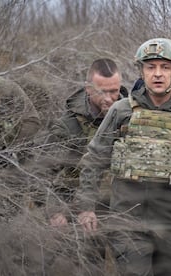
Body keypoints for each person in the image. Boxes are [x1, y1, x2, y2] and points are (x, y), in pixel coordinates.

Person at [76, 38, 171, 275]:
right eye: (151, 67)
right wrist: (86, 206)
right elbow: (94, 158)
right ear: (141, 71)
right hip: (128, 223)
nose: (158, 74)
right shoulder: (121, 111)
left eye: (165, 67)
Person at [46, 58, 128, 226]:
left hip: (121, 205)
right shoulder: (68, 126)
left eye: (114, 91)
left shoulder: (131, 116)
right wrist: (55, 211)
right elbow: (45, 172)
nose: (109, 98)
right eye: (102, 92)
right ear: (88, 88)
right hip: (76, 208)